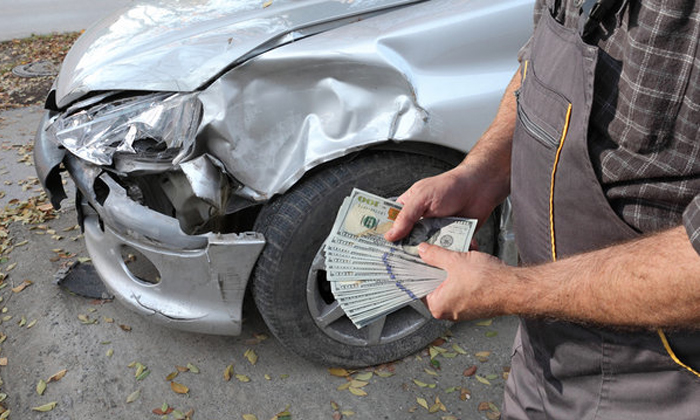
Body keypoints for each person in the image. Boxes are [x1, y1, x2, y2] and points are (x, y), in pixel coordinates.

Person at [384, 0, 700, 418]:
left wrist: (509, 290)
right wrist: (480, 174)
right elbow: (540, 69)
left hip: (662, 386)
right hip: (541, 353)